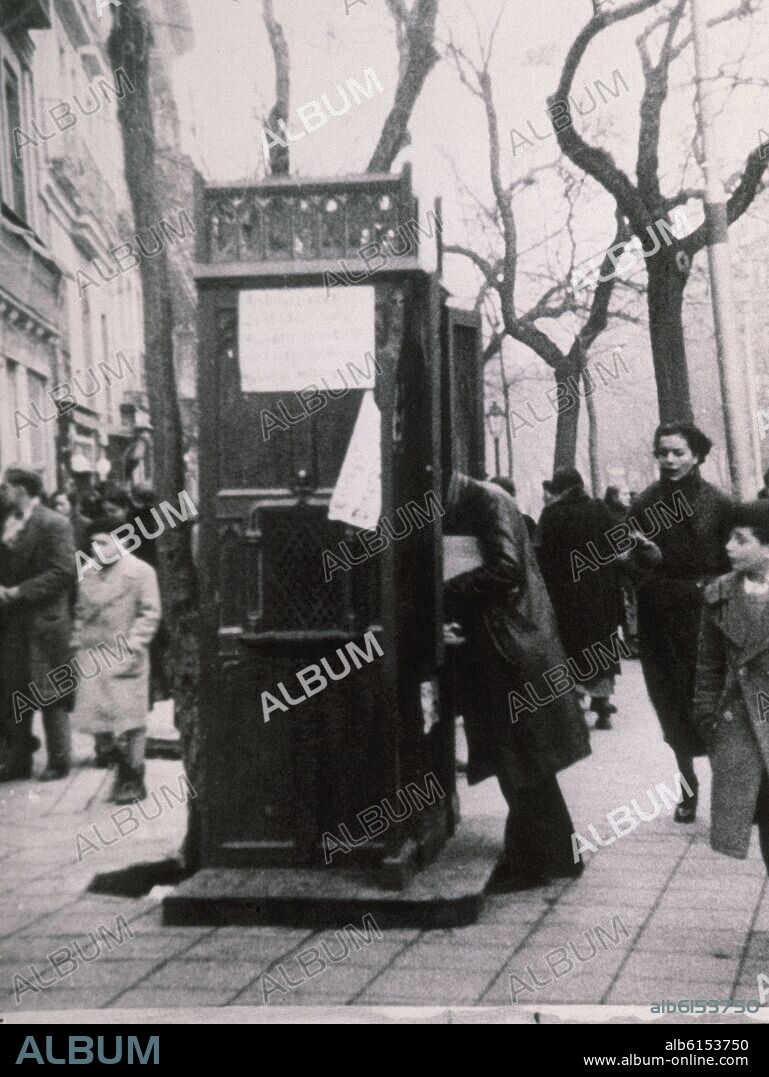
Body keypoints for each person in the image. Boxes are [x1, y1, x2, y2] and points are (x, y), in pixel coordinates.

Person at [443, 472, 591, 892]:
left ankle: (533, 863)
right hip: (511, 640)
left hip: (506, 646)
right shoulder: (482, 498)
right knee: (529, 755)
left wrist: (444, 589)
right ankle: (561, 855)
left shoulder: (483, 501)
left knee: (519, 755)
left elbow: (505, 570)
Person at [628, 421, 733, 823]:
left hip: (708, 618)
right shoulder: (644, 503)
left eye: (678, 452)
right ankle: (688, 788)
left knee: (712, 704)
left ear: (698, 455)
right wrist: (644, 563)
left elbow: (731, 562)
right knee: (671, 706)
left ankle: (730, 792)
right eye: (662, 452)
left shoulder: (718, 504)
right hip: (661, 619)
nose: (669, 460)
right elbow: (629, 564)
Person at [693, 502, 769, 873]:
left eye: (741, 540)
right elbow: (707, 665)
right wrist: (707, 717)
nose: (728, 546)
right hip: (742, 728)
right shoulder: (719, 594)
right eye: (728, 537)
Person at [73, 519, 161, 802]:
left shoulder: (140, 572)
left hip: (125, 655)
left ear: (121, 540)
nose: (96, 549)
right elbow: (79, 612)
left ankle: (134, 778)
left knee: (131, 722)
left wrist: (133, 647)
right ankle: (119, 769)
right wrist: (77, 643)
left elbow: (150, 613)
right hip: (93, 655)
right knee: (101, 723)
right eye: (93, 543)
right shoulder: (88, 572)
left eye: (103, 542)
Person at [0, 468, 76, 781]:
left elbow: (63, 572)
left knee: (50, 692)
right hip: (11, 623)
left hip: (44, 621)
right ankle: (18, 761)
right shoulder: (6, 521)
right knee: (12, 691)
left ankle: (59, 761)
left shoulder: (53, 523)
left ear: (22, 489)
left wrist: (18, 592)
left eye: (7, 486)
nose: (2, 491)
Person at [537, 468, 624, 730]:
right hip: (601, 593)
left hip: (567, 596)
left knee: (570, 647)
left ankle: (575, 702)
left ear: (561, 489)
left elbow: (543, 559)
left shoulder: (552, 515)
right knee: (602, 647)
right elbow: (616, 545)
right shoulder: (600, 509)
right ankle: (602, 708)